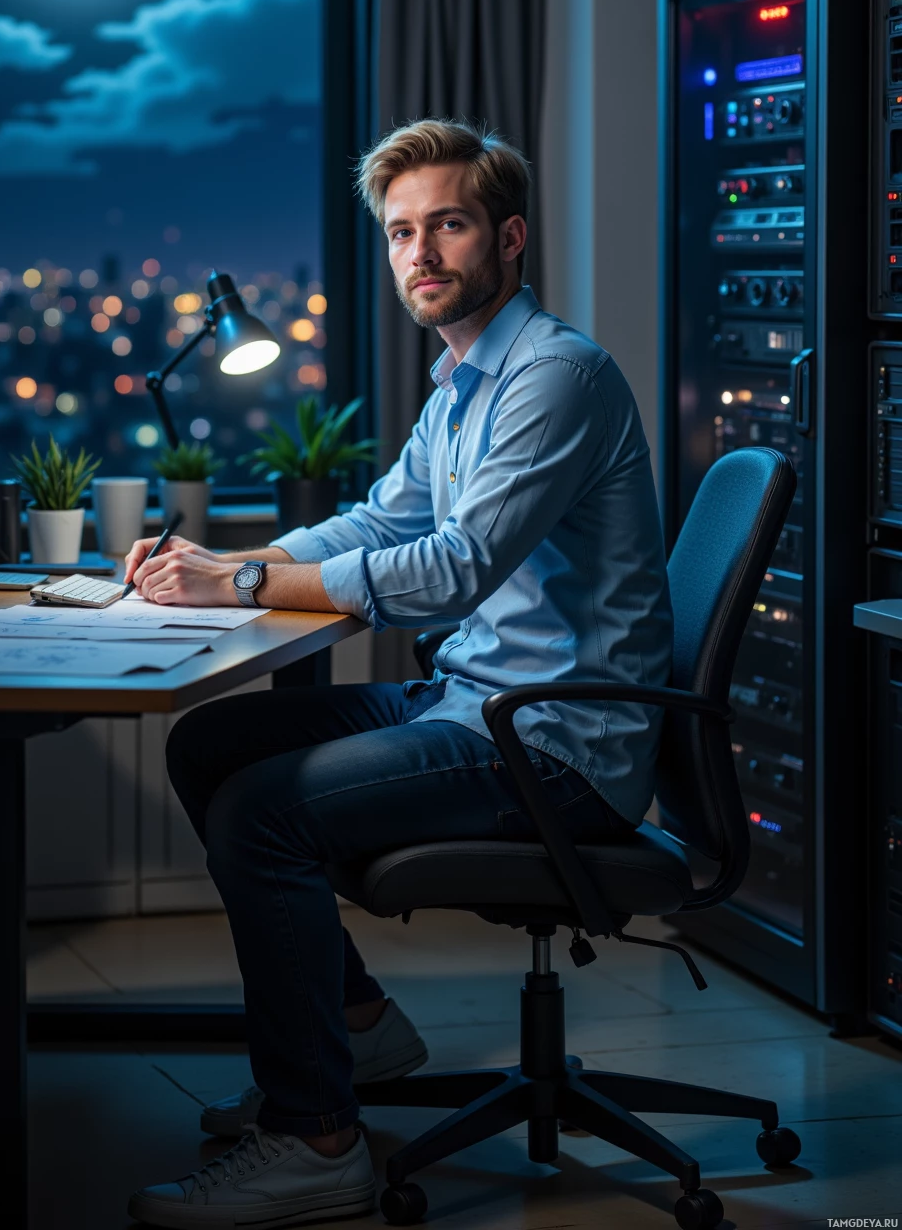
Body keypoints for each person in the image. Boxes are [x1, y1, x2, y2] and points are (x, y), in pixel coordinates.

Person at [125, 118, 673, 1229]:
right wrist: (236, 561)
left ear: (508, 238)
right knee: (212, 744)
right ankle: (361, 1032)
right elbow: (387, 517)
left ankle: (317, 1140)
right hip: (475, 701)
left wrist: (236, 593)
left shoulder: (551, 375)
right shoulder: (466, 377)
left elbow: (453, 566)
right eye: (400, 232)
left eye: (449, 226)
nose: (420, 254)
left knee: (263, 815)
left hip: (553, 742)